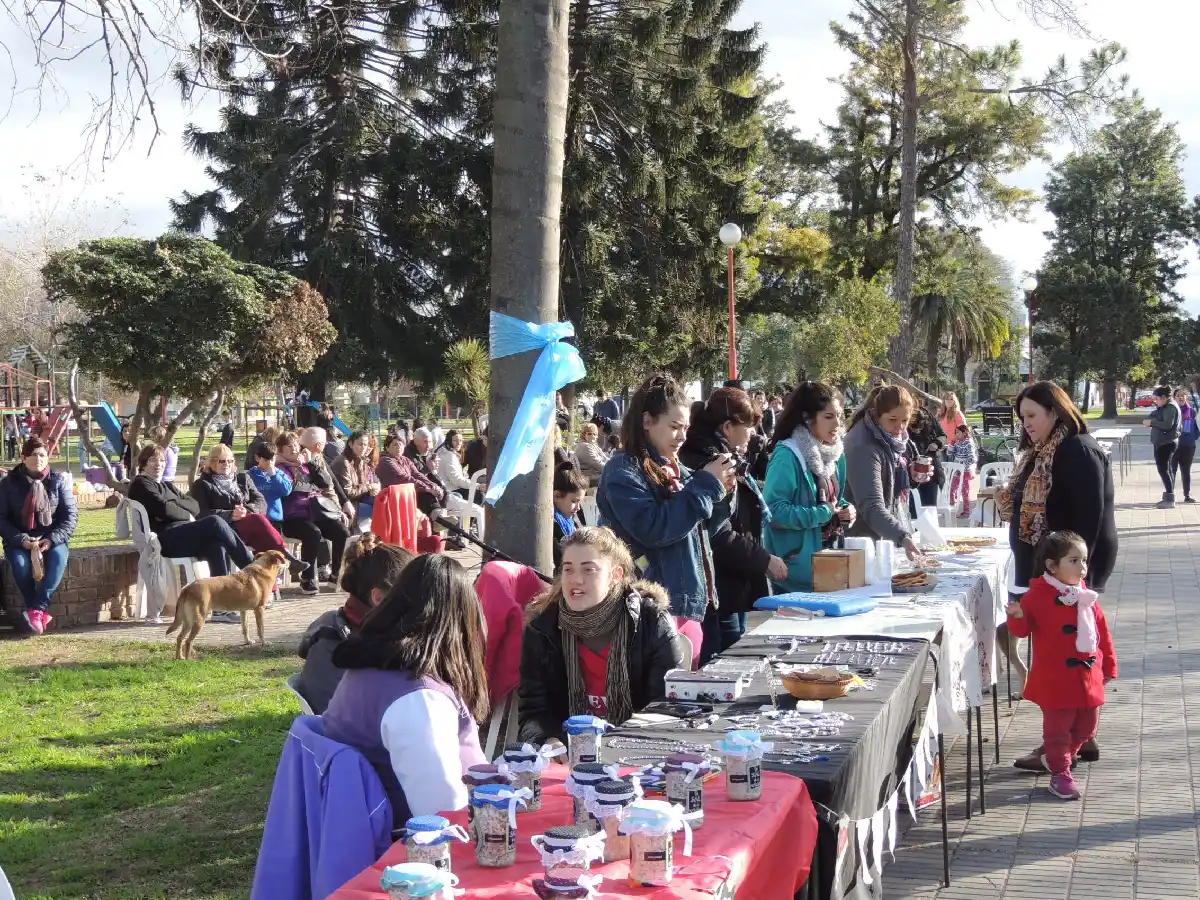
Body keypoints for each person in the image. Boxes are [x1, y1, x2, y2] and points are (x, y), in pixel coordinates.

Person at [996, 380, 1116, 770]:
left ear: (1055, 411)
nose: (1026, 424)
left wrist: (1073, 579)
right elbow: (1033, 504)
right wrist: (1009, 501)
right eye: (1022, 417)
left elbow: (1089, 519)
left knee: (1071, 658)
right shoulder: (1045, 449)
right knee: (1067, 656)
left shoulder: (1078, 450)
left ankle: (1063, 744)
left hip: (1070, 574)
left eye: (1031, 415)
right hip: (1049, 570)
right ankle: (1078, 739)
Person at [322, 554, 489, 828]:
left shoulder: (374, 667)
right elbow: (444, 816)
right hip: (406, 851)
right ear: (460, 624)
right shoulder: (418, 701)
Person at [596, 374, 733, 656]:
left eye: (685, 427)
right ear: (647, 422)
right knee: (667, 697)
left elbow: (702, 528)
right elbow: (656, 529)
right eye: (674, 427)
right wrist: (706, 486)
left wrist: (722, 492)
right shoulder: (623, 471)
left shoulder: (674, 468)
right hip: (654, 607)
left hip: (692, 602)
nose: (682, 436)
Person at [518, 526, 684, 746]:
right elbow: (533, 711)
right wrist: (546, 740)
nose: (575, 580)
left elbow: (667, 705)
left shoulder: (652, 623)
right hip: (568, 755)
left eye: (588, 570)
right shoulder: (542, 629)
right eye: (568, 569)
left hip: (637, 750)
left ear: (615, 575)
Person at [1005, 531, 1117, 800]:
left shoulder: (1085, 596)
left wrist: (1110, 664)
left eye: (1085, 560)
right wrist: (1017, 616)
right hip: (1056, 679)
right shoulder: (1036, 596)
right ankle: (1060, 773)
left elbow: (1103, 632)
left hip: (1089, 675)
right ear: (1052, 566)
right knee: (1057, 731)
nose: (1083, 568)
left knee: (1086, 729)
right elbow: (1022, 631)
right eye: (1074, 561)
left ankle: (1060, 758)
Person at [681, 386, 788, 660]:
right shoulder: (713, 463)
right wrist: (763, 559)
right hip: (716, 585)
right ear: (727, 427)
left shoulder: (728, 457)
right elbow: (717, 533)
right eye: (748, 426)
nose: (752, 432)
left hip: (731, 580)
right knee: (722, 661)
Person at [297, 535, 415, 714]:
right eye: (412, 593)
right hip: (348, 735)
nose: (419, 602)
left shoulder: (347, 623)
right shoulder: (338, 639)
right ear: (378, 597)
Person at [762, 382, 854, 593]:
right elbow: (773, 512)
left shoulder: (836, 454)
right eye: (829, 417)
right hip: (796, 574)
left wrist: (845, 509)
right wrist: (822, 514)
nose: (838, 424)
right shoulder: (787, 455)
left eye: (840, 415)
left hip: (831, 566)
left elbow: (833, 500)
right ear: (807, 418)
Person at [128, 444, 255, 578]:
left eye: (162, 460)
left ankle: (221, 594)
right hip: (164, 540)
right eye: (153, 460)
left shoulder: (167, 486)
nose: (159, 464)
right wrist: (186, 514)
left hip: (184, 535)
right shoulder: (141, 484)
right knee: (215, 521)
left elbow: (195, 506)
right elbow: (164, 509)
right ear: (143, 463)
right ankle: (252, 568)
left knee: (217, 546)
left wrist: (174, 503)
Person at [0, 437, 78, 634]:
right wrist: (22, 541)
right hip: (19, 539)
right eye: (33, 454)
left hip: (51, 537)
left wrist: (51, 540)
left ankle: (37, 609)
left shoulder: (57, 480)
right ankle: (36, 611)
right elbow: (1, 520)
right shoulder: (8, 483)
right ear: (23, 458)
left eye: (43, 454)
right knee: (21, 567)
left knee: (58, 561)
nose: (39, 458)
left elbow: (70, 517)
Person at [843, 385, 927, 560]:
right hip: (862, 543)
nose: (900, 428)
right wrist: (902, 536)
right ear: (877, 414)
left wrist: (910, 476)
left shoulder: (891, 439)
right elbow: (871, 505)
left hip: (882, 535)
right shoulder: (862, 445)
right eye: (892, 420)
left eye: (905, 420)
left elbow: (887, 479)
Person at [274, 432, 352, 594]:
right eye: (289, 446)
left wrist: (311, 464)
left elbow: (324, 483)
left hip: (317, 513)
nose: (295, 449)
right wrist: (301, 477)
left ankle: (336, 574)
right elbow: (288, 489)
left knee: (342, 532)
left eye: (296, 445)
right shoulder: (278, 468)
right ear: (280, 450)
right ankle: (308, 578)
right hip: (293, 517)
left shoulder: (306, 464)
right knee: (313, 533)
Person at [190, 444, 290, 556]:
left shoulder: (243, 478)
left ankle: (267, 566)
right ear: (212, 462)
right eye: (222, 461)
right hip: (223, 530)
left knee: (261, 536)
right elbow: (201, 513)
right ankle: (286, 556)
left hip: (249, 528)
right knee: (258, 521)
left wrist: (246, 511)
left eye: (230, 461)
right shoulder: (201, 485)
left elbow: (261, 502)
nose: (227, 464)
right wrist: (231, 514)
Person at [377, 433, 445, 515]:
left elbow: (417, 474)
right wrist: (426, 488)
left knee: (435, 491)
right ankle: (437, 517)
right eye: (395, 445)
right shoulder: (385, 461)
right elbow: (403, 478)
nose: (399, 447)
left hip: (406, 493)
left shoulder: (405, 459)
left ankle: (438, 516)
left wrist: (432, 485)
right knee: (425, 494)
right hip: (392, 497)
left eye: (401, 445)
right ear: (387, 448)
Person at [299, 427, 355, 523]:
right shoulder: (299, 461)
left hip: (328, 504)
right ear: (318, 445)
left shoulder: (318, 456)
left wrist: (345, 501)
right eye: (325, 441)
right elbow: (324, 485)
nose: (327, 443)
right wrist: (337, 511)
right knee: (342, 531)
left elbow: (333, 481)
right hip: (312, 509)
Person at [331, 431, 382, 526]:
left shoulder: (361, 460)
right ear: (350, 444)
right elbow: (348, 492)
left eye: (366, 445)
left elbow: (366, 483)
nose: (363, 448)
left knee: (388, 503)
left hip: (361, 499)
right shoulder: (342, 462)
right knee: (384, 511)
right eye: (360, 444)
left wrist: (374, 488)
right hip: (347, 505)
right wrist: (370, 487)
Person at [1144, 385, 1181, 509]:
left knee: (1163, 470)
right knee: (1166, 469)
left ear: (1164, 398)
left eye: (1157, 398)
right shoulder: (1164, 406)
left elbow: (1167, 425)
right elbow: (1154, 414)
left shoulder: (1170, 407)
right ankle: (1168, 497)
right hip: (1162, 442)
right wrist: (1149, 420)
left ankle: (1170, 499)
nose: (1155, 401)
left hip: (1166, 443)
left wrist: (1152, 422)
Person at [908, 398, 947, 508]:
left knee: (929, 509)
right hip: (911, 474)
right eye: (914, 429)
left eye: (919, 428)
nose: (917, 431)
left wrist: (937, 443)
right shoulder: (903, 423)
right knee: (913, 511)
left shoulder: (929, 418)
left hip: (931, 472)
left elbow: (943, 436)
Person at [552, 463, 588, 569]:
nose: (578, 508)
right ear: (557, 496)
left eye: (579, 502)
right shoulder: (552, 527)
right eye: (574, 501)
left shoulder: (574, 520)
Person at [947, 423, 978, 518]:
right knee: (952, 489)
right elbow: (949, 453)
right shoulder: (957, 443)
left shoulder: (969, 444)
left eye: (958, 433)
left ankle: (966, 511)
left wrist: (963, 465)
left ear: (964, 433)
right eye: (956, 433)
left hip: (966, 471)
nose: (956, 435)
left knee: (965, 492)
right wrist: (951, 446)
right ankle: (952, 508)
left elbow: (973, 459)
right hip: (957, 471)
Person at [1172, 388, 1196, 503]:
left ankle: (1187, 495)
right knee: (1172, 471)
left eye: (1183, 395)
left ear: (1186, 397)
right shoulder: (1171, 411)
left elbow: (1196, 428)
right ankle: (1170, 495)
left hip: (1188, 446)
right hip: (1173, 446)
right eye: (1178, 395)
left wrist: (1192, 438)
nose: (1181, 397)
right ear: (1174, 398)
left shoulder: (1192, 412)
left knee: (1186, 471)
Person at [435, 431, 473, 498]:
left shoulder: (446, 452)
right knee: (479, 495)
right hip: (450, 489)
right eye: (455, 440)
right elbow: (456, 480)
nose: (459, 443)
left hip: (450, 487)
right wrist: (477, 486)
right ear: (449, 441)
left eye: (461, 440)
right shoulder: (449, 456)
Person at [574, 422, 609, 487]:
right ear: (584, 434)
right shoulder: (585, 446)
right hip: (591, 477)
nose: (593, 436)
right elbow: (597, 464)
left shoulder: (591, 444)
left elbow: (604, 458)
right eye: (589, 433)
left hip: (595, 474)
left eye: (595, 434)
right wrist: (612, 469)